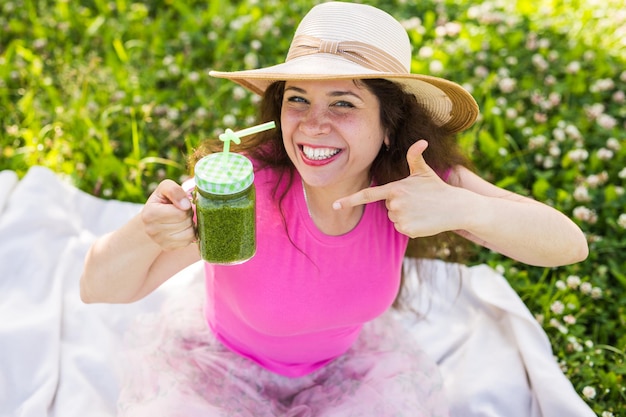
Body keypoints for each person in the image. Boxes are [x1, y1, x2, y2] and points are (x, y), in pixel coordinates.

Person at [80, 2, 589, 416]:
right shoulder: (241, 186)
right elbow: (99, 288)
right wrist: (147, 231)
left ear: (391, 124)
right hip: (218, 376)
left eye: (343, 103)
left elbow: (569, 245)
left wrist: (462, 208)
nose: (312, 125)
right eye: (297, 100)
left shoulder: (416, 183)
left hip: (345, 376)